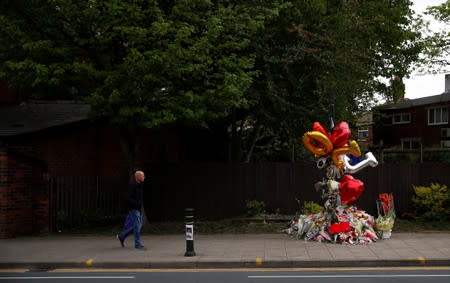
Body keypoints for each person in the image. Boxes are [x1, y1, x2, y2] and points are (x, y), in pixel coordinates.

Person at [117, 170, 146, 250]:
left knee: (138, 226)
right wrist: (136, 203)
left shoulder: (140, 185)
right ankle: (137, 244)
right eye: (143, 176)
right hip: (133, 209)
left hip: (138, 209)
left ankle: (122, 236)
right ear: (138, 177)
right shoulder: (132, 186)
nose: (144, 177)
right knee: (137, 226)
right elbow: (127, 198)